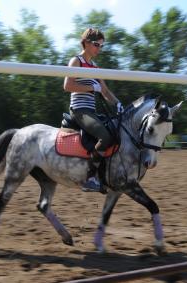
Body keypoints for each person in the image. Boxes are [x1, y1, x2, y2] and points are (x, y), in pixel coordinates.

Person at [63, 28, 123, 193]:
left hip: (91, 111)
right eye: (97, 44)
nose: (99, 49)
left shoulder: (95, 67)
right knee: (105, 136)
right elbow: (67, 86)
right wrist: (91, 87)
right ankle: (89, 178)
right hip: (79, 110)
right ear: (86, 43)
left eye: (101, 46)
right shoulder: (76, 61)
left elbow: (105, 91)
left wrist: (117, 103)